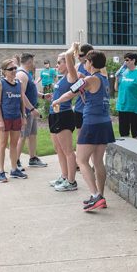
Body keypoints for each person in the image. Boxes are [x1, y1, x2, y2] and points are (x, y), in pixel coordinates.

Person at [52, 46, 115, 212]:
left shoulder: (90, 80)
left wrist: (57, 101)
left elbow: (71, 93)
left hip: (92, 123)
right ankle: (100, 196)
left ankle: (95, 195)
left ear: (91, 63)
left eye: (86, 61)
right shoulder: (103, 78)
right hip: (104, 123)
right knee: (98, 161)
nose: (84, 63)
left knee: (81, 160)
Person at [48, 51, 79, 192]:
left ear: (68, 63)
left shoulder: (72, 76)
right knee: (58, 149)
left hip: (64, 115)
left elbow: (69, 59)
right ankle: (64, 176)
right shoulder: (61, 78)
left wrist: (70, 51)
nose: (57, 65)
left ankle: (72, 181)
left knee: (68, 151)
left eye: (59, 62)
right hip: (54, 115)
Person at [0, 58, 28, 182]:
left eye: (15, 68)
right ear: (4, 71)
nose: (14, 71)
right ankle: (1, 171)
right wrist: (0, 120)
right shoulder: (0, 84)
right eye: (11, 69)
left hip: (16, 117)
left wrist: (23, 116)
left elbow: (21, 101)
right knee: (3, 144)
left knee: (13, 144)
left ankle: (14, 169)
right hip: (5, 118)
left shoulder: (19, 83)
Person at [15, 53, 47, 169]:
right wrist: (31, 109)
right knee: (22, 136)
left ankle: (33, 158)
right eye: (33, 61)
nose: (34, 64)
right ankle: (16, 161)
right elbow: (21, 95)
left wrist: (43, 96)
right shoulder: (21, 75)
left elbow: (31, 91)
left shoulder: (27, 74)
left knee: (32, 134)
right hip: (26, 111)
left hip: (30, 110)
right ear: (29, 62)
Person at [116, 52, 137, 139]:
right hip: (122, 107)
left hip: (134, 108)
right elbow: (116, 88)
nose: (125, 62)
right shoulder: (123, 73)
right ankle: (126, 152)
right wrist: (117, 77)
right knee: (123, 132)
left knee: (136, 132)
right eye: (124, 60)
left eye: (127, 60)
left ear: (133, 60)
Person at [73, 42, 94, 130]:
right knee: (80, 133)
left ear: (88, 55)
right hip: (79, 106)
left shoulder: (95, 68)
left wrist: (83, 77)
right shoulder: (78, 66)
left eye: (81, 55)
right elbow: (74, 87)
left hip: (91, 105)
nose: (78, 57)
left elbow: (96, 84)